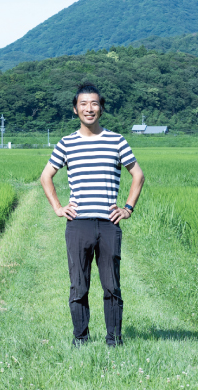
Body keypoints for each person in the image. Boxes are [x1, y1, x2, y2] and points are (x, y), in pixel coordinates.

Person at [40, 82, 144, 347]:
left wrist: (128, 208)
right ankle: (80, 338)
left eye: (94, 103)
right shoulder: (67, 143)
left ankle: (114, 340)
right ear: (75, 109)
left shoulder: (116, 140)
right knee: (79, 285)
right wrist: (58, 207)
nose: (89, 109)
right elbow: (46, 177)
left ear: (102, 108)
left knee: (111, 285)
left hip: (109, 224)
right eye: (84, 104)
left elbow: (138, 175)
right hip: (78, 224)